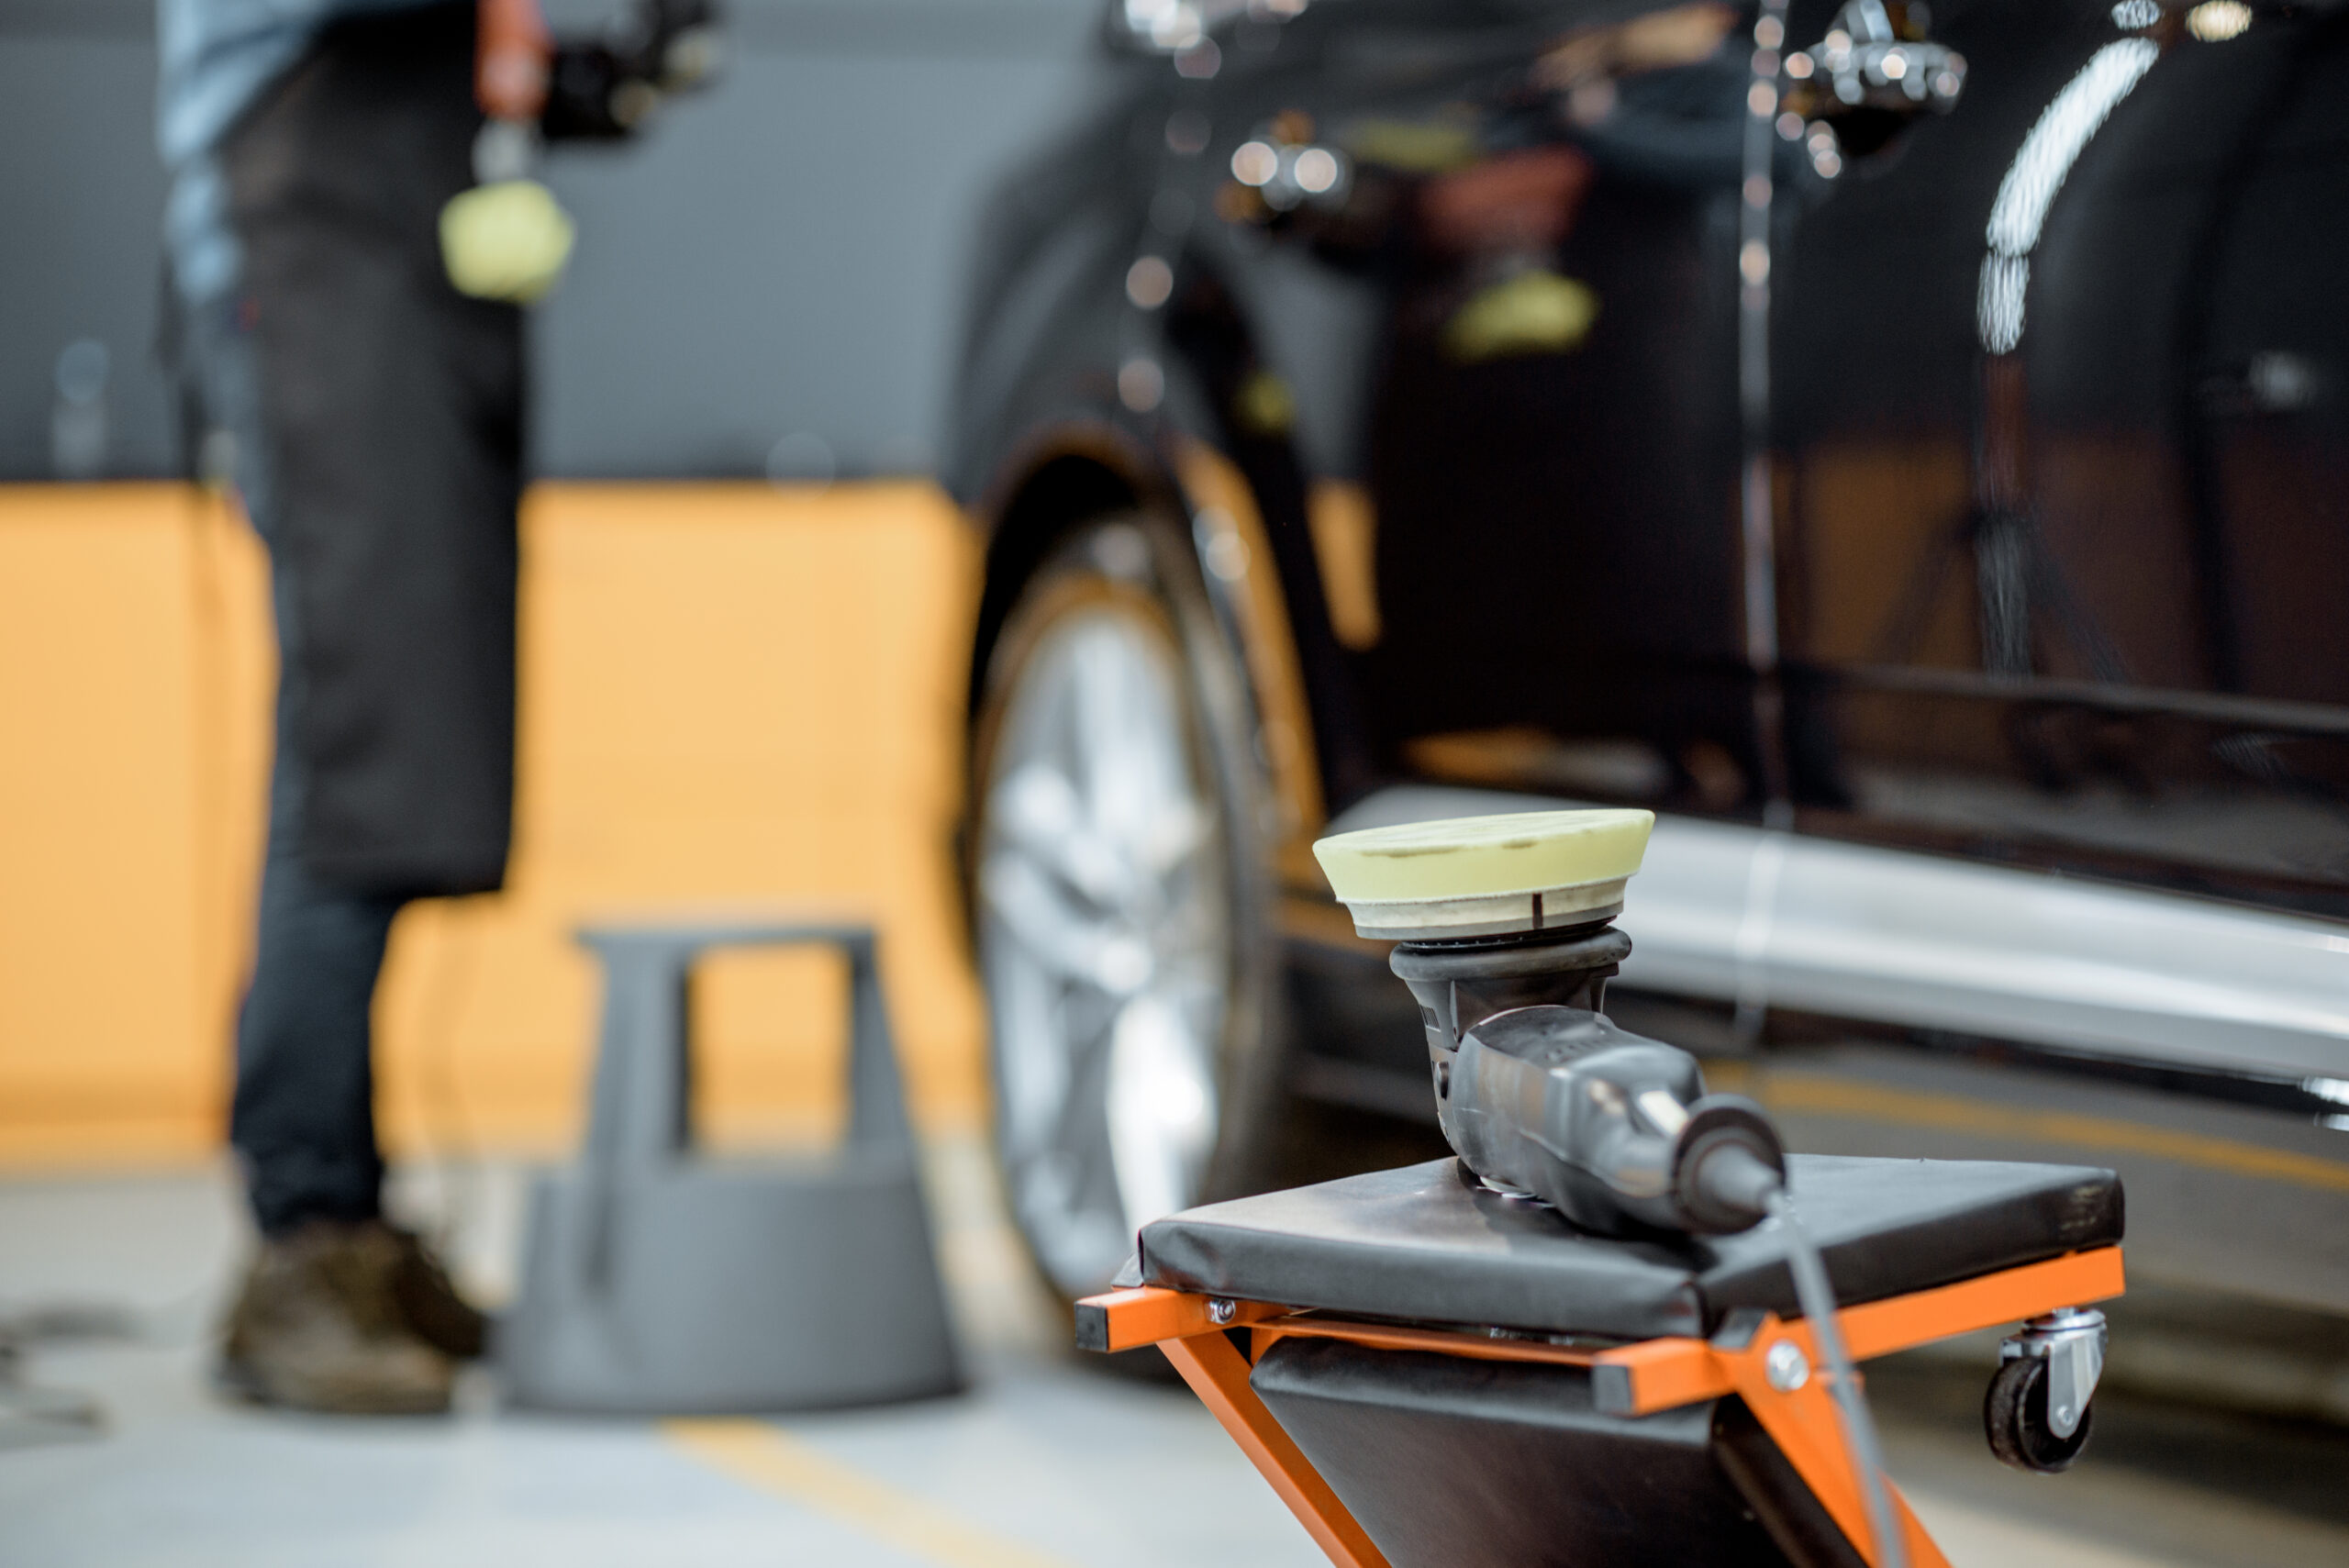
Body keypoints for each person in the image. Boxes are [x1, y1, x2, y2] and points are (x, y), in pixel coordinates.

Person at [158, 0, 714, 1413]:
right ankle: (298, 1241)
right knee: (355, 754)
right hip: (315, 267)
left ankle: (352, 1210)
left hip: (406, 269)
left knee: (407, 743)